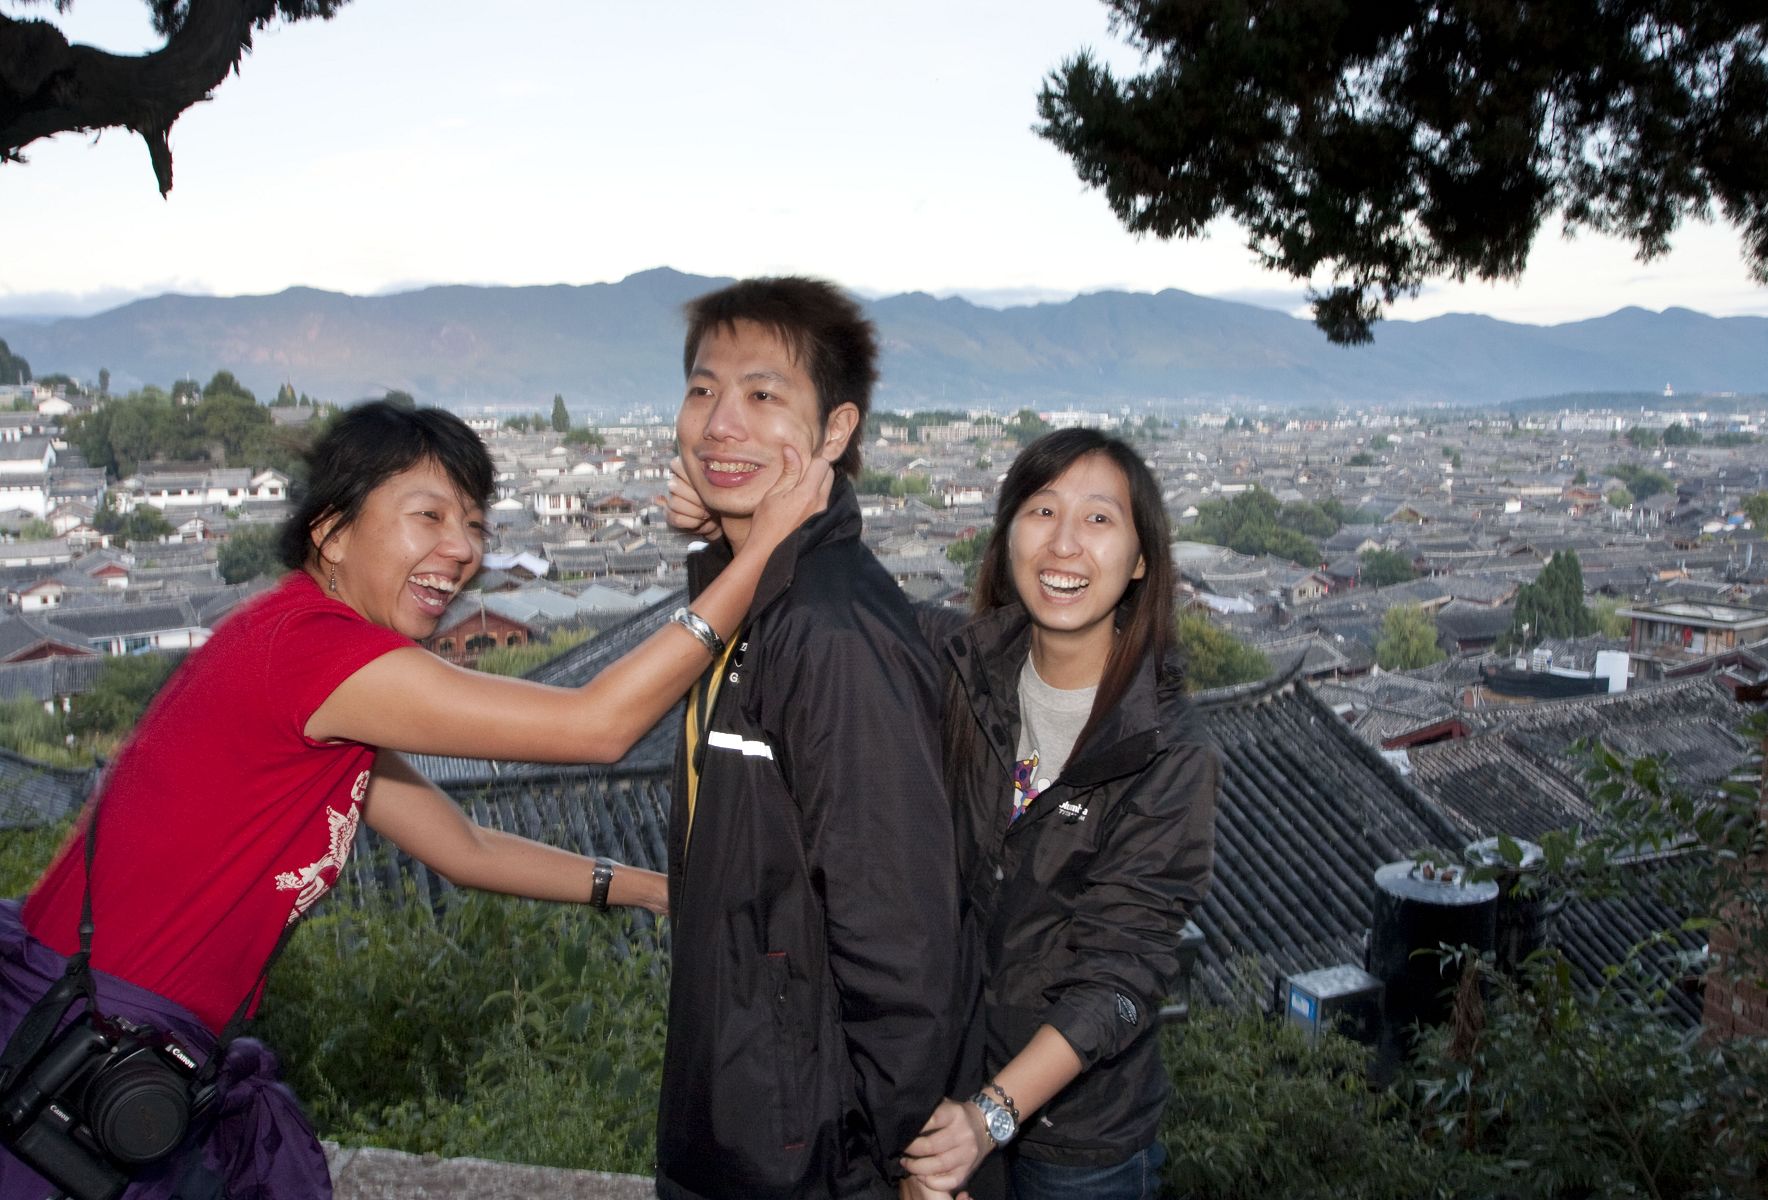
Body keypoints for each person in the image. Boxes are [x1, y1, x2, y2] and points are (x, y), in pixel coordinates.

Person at [0, 398, 831, 1200]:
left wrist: (654, 890)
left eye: (474, 524)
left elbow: (463, 848)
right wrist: (761, 554)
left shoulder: (316, 670)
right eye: (428, 516)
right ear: (331, 531)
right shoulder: (306, 652)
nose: (462, 549)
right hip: (85, 1045)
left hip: (123, 1040)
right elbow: (597, 725)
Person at [657, 277, 965, 1200]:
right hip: (742, 1124)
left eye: (763, 395)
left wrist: (901, 1164)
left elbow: (899, 942)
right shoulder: (752, 604)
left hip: (814, 1155)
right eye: (703, 389)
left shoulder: (830, 630)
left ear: (835, 431)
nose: (721, 424)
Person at [900, 428, 1218, 1200]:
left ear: (1141, 559)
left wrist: (988, 1117)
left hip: (1079, 1138)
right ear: (1006, 534)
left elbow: (1121, 971)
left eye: (1099, 518)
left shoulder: (1166, 750)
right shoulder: (961, 667)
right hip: (944, 1080)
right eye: (1042, 510)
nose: (1065, 543)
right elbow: (832, 604)